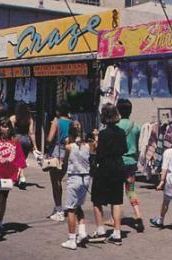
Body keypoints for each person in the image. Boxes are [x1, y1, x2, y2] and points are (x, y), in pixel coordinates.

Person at [90, 104, 126, 246]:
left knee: (97, 199)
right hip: (118, 167)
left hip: (105, 168)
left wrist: (97, 141)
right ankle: (117, 232)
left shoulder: (103, 134)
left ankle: (100, 230)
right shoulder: (121, 132)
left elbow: (99, 154)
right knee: (116, 200)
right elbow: (124, 149)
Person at [0, 117, 27, 237]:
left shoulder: (14, 141)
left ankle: (0, 222)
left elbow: (20, 157)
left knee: (4, 197)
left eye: (8, 126)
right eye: (3, 126)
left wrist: (20, 172)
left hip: (9, 173)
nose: (6, 129)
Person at [60, 121, 93, 250]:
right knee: (78, 206)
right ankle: (83, 231)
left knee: (71, 210)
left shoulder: (69, 146)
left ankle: (71, 239)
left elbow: (65, 161)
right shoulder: (88, 146)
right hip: (86, 178)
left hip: (74, 178)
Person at [116, 99, 145, 232]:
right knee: (130, 190)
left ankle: (115, 219)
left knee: (116, 192)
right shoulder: (136, 126)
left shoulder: (117, 126)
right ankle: (138, 215)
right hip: (132, 162)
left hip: (119, 162)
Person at [45, 103, 72, 221]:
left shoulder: (56, 122)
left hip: (57, 152)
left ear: (58, 111)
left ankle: (59, 208)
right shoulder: (73, 123)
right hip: (69, 152)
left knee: (55, 181)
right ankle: (60, 207)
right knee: (60, 180)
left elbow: (50, 139)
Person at [10, 102, 37, 189]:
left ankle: (22, 177)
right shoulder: (29, 119)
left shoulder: (13, 118)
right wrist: (35, 146)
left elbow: (11, 131)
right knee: (21, 161)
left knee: (17, 161)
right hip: (26, 141)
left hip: (17, 140)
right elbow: (31, 133)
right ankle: (19, 179)